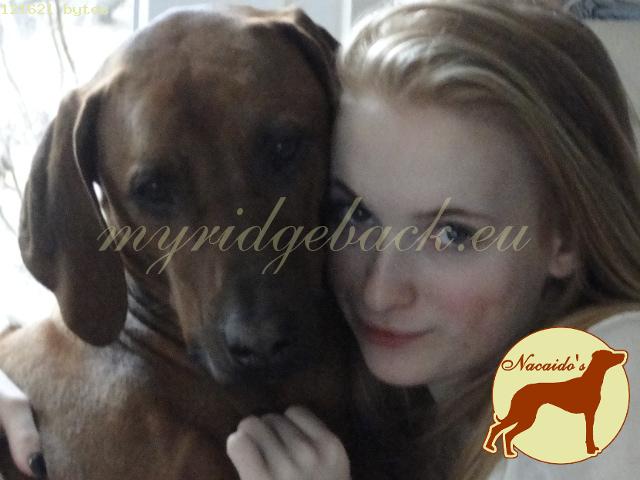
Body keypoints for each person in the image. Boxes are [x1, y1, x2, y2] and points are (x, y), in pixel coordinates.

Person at [2, 0, 640, 479]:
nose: (380, 291)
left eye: (452, 232)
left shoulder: (604, 377)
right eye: (354, 212)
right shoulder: (409, 372)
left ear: (566, 232)